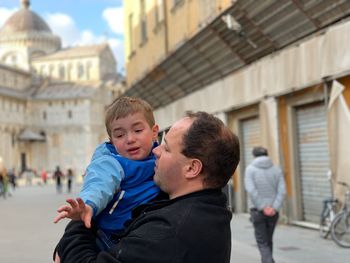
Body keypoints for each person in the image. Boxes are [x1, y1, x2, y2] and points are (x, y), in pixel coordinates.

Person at [53, 111, 240, 263]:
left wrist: (80, 222)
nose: (156, 151)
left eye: (166, 148)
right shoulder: (207, 206)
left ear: (192, 168)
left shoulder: (169, 233)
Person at [54, 97, 161, 249]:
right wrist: (88, 205)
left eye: (137, 130)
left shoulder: (161, 155)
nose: (130, 139)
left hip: (140, 231)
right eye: (119, 135)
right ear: (111, 140)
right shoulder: (112, 162)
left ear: (154, 131)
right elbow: (99, 183)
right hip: (110, 238)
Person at [244, 146, 286, 263]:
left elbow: (251, 190)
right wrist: (274, 207)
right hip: (273, 212)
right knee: (268, 240)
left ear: (254, 156)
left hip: (257, 211)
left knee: (262, 242)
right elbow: (282, 191)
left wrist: (263, 207)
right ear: (267, 155)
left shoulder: (250, 169)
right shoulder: (276, 169)